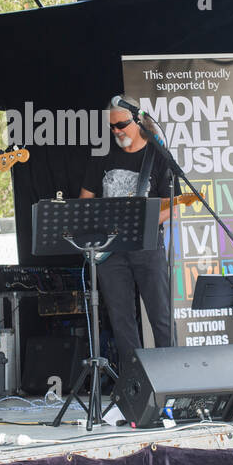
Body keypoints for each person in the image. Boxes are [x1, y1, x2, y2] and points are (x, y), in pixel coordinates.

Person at [80, 103, 178, 371]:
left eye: (121, 125)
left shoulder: (158, 157)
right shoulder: (102, 157)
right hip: (110, 249)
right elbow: (85, 200)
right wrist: (99, 226)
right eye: (111, 127)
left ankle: (172, 377)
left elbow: (173, 206)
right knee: (121, 317)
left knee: (160, 315)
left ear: (139, 122)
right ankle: (135, 379)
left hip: (147, 245)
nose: (116, 131)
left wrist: (142, 223)